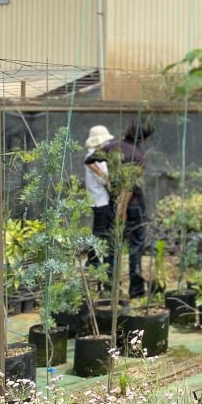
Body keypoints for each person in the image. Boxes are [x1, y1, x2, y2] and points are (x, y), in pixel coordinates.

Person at [87, 119, 155, 298]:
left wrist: (106, 178)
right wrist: (122, 209)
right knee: (136, 247)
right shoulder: (138, 155)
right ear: (144, 139)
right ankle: (136, 291)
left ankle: (110, 287)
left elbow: (89, 160)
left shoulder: (112, 146)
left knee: (112, 247)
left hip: (113, 202)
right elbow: (130, 185)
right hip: (132, 207)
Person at [83, 124, 115, 270]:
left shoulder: (91, 155)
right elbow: (103, 179)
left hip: (96, 198)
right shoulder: (94, 158)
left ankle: (93, 259)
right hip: (100, 199)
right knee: (99, 232)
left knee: (99, 230)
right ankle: (93, 259)